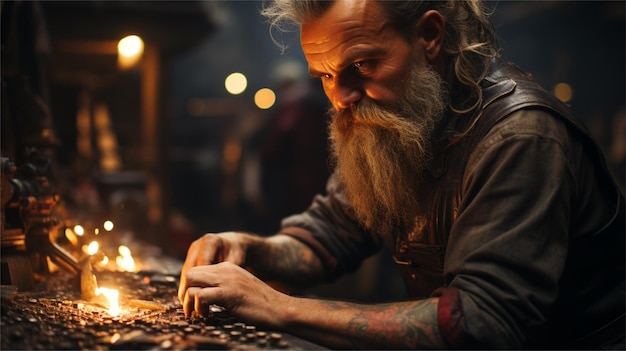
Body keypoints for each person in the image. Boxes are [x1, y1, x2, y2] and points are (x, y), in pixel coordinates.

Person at [178, 1, 625, 349]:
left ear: (429, 35)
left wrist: (278, 307)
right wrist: (246, 248)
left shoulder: (521, 136)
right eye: (326, 75)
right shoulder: (403, 118)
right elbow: (330, 233)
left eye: (362, 65)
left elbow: (483, 322)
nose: (340, 98)